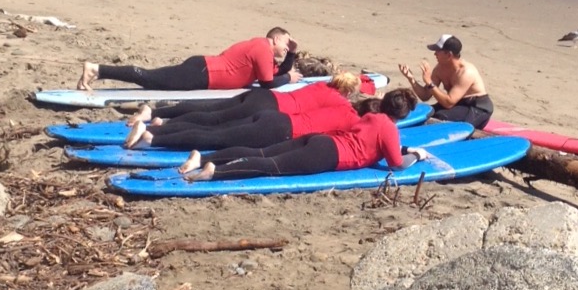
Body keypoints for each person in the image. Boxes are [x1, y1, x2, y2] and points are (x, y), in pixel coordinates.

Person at [181, 88, 425, 181]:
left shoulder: (369, 117)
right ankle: (216, 172)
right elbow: (396, 164)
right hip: (329, 154)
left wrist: (403, 148)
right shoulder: (389, 128)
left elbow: (376, 143)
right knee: (271, 166)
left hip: (321, 140)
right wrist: (416, 155)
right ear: (402, 115)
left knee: (261, 152)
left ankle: (202, 159)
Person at [123, 71, 362, 150]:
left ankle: (159, 118)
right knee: (215, 126)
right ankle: (155, 132)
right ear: (349, 92)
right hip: (271, 109)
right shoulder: (339, 102)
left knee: (211, 112)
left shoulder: (321, 84)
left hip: (264, 96)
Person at [76, 27, 301, 92]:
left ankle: (98, 70)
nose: (286, 48)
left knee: (152, 79)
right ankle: (96, 69)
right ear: (276, 38)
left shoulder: (263, 51)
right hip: (202, 73)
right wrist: (289, 78)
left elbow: (277, 74)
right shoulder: (262, 47)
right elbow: (268, 83)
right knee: (150, 78)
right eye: (286, 43)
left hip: (203, 71)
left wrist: (291, 54)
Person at [398, 34, 493, 128]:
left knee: (441, 118)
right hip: (457, 104)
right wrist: (411, 79)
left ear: (449, 55)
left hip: (477, 108)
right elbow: (425, 96)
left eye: (438, 51)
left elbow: (448, 103)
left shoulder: (466, 72)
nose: (435, 54)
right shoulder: (439, 69)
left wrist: (429, 83)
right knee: (424, 112)